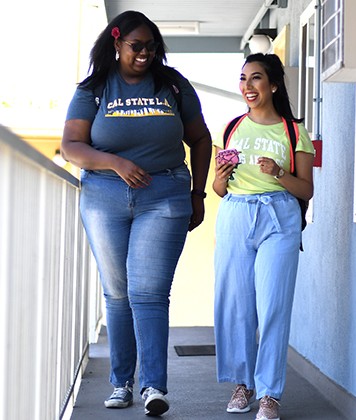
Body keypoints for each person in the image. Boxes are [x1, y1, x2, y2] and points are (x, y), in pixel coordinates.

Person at [60, 10, 212, 416]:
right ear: (116, 44)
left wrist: (198, 193)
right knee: (118, 292)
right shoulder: (94, 89)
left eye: (151, 46)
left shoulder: (173, 85)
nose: (145, 53)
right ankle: (121, 382)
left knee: (148, 292)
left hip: (164, 195)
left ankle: (153, 387)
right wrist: (115, 163)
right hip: (105, 196)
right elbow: (72, 146)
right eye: (136, 46)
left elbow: (200, 138)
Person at [212, 53, 314, 420]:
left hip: (279, 217)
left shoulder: (293, 132)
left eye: (255, 79)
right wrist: (221, 178)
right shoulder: (232, 127)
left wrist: (279, 173)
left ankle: (270, 393)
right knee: (237, 305)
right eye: (243, 79)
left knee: (272, 306)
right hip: (236, 213)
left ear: (272, 85)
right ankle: (243, 384)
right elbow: (219, 188)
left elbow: (305, 190)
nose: (247, 86)